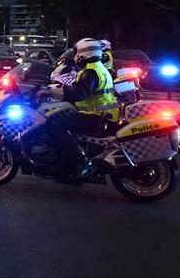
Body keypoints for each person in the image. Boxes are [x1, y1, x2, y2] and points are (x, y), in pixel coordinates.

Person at [39, 38, 120, 179]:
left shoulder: (91, 72)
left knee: (57, 126)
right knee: (63, 119)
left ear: (84, 52)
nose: (75, 55)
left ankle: (78, 160)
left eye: (76, 52)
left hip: (97, 116)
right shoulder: (97, 68)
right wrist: (58, 89)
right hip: (103, 115)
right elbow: (79, 88)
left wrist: (52, 93)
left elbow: (80, 93)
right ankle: (66, 166)